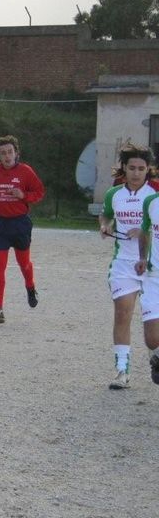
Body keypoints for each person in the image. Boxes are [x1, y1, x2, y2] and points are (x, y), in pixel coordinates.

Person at [99, 145, 159, 389]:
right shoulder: (114, 194)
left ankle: (154, 355)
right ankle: (121, 370)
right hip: (124, 263)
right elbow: (106, 214)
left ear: (148, 170)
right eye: (132, 168)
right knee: (122, 313)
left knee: (152, 329)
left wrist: (143, 232)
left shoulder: (154, 194)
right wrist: (105, 225)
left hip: (153, 267)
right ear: (124, 167)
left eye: (141, 168)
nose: (136, 173)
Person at [0, 135, 45, 323]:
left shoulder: (26, 172)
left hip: (20, 224)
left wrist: (23, 195)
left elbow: (39, 192)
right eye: (3, 153)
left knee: (24, 264)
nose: (7, 156)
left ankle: (30, 287)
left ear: (16, 153)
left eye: (10, 152)